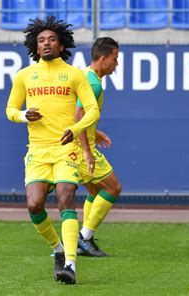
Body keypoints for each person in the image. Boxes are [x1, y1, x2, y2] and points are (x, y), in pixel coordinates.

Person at [6, 16, 100, 284]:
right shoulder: (24, 76)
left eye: (52, 40)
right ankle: (57, 249)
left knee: (65, 197)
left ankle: (70, 264)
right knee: (34, 204)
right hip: (37, 150)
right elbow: (10, 109)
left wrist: (77, 128)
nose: (46, 44)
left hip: (65, 149)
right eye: (41, 40)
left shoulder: (75, 74)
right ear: (35, 47)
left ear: (61, 45)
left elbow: (92, 109)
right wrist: (24, 116)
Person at [75, 37, 122, 257]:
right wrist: (86, 150)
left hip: (75, 144)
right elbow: (78, 115)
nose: (117, 64)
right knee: (113, 188)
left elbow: (78, 113)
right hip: (80, 148)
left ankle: (85, 239)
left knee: (95, 191)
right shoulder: (93, 83)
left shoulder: (85, 75)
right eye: (115, 59)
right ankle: (83, 238)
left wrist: (96, 131)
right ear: (103, 59)